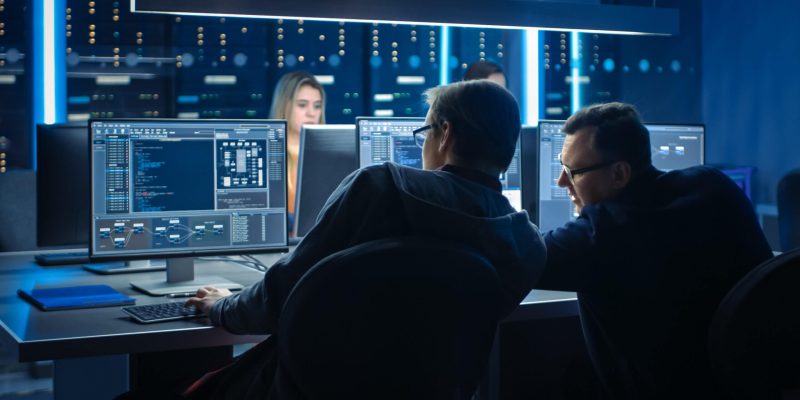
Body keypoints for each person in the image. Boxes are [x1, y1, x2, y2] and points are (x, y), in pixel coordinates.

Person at [185, 80, 547, 398]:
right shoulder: (527, 247)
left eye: (426, 131)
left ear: (446, 134)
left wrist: (222, 306)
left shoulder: (378, 188)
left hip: (307, 388)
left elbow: (278, 298)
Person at [535, 102, 773, 398]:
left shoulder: (603, 233)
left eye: (573, 172)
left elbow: (515, 255)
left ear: (620, 174)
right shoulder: (715, 185)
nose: (561, 182)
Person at [268, 71, 326, 231]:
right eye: (302, 105)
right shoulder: (267, 156)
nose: (311, 113)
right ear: (284, 106)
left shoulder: (326, 157)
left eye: (317, 106)